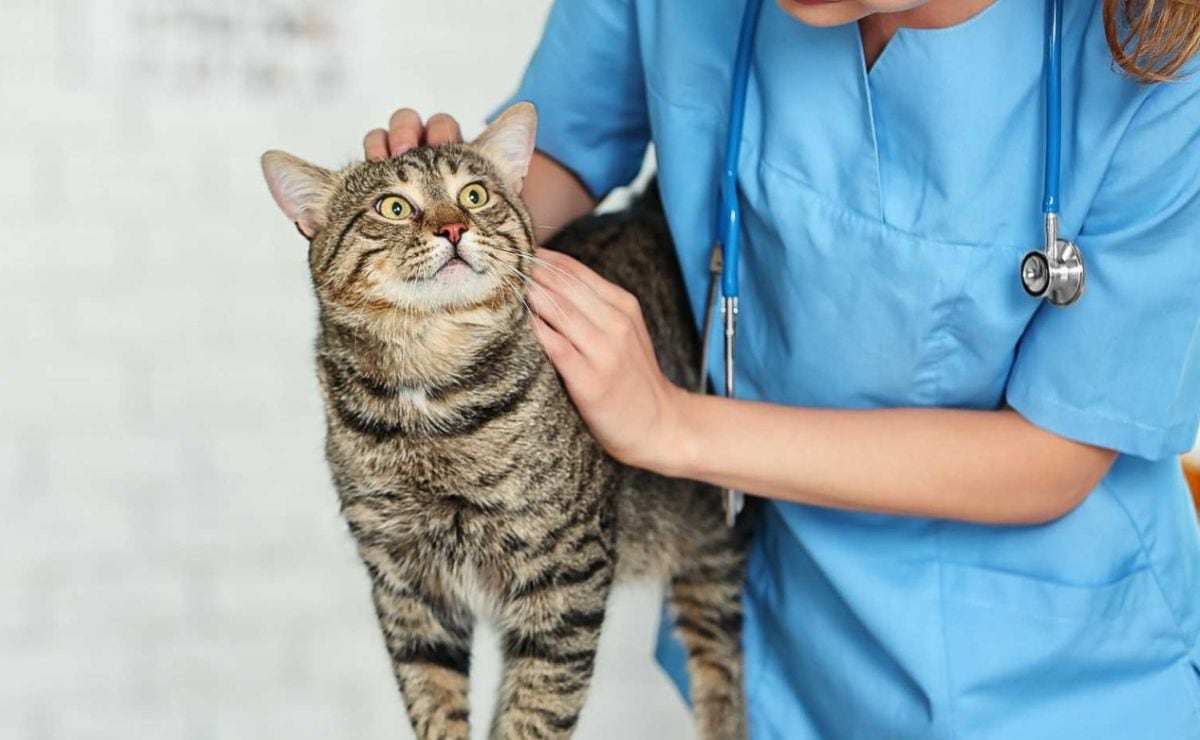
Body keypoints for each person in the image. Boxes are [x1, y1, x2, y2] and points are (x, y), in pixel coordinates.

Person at [363, 0, 1200, 736]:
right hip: (779, 640)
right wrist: (433, 224)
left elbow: (1054, 456)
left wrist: (674, 426)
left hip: (1057, 671)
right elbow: (562, 153)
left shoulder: (1162, 55)